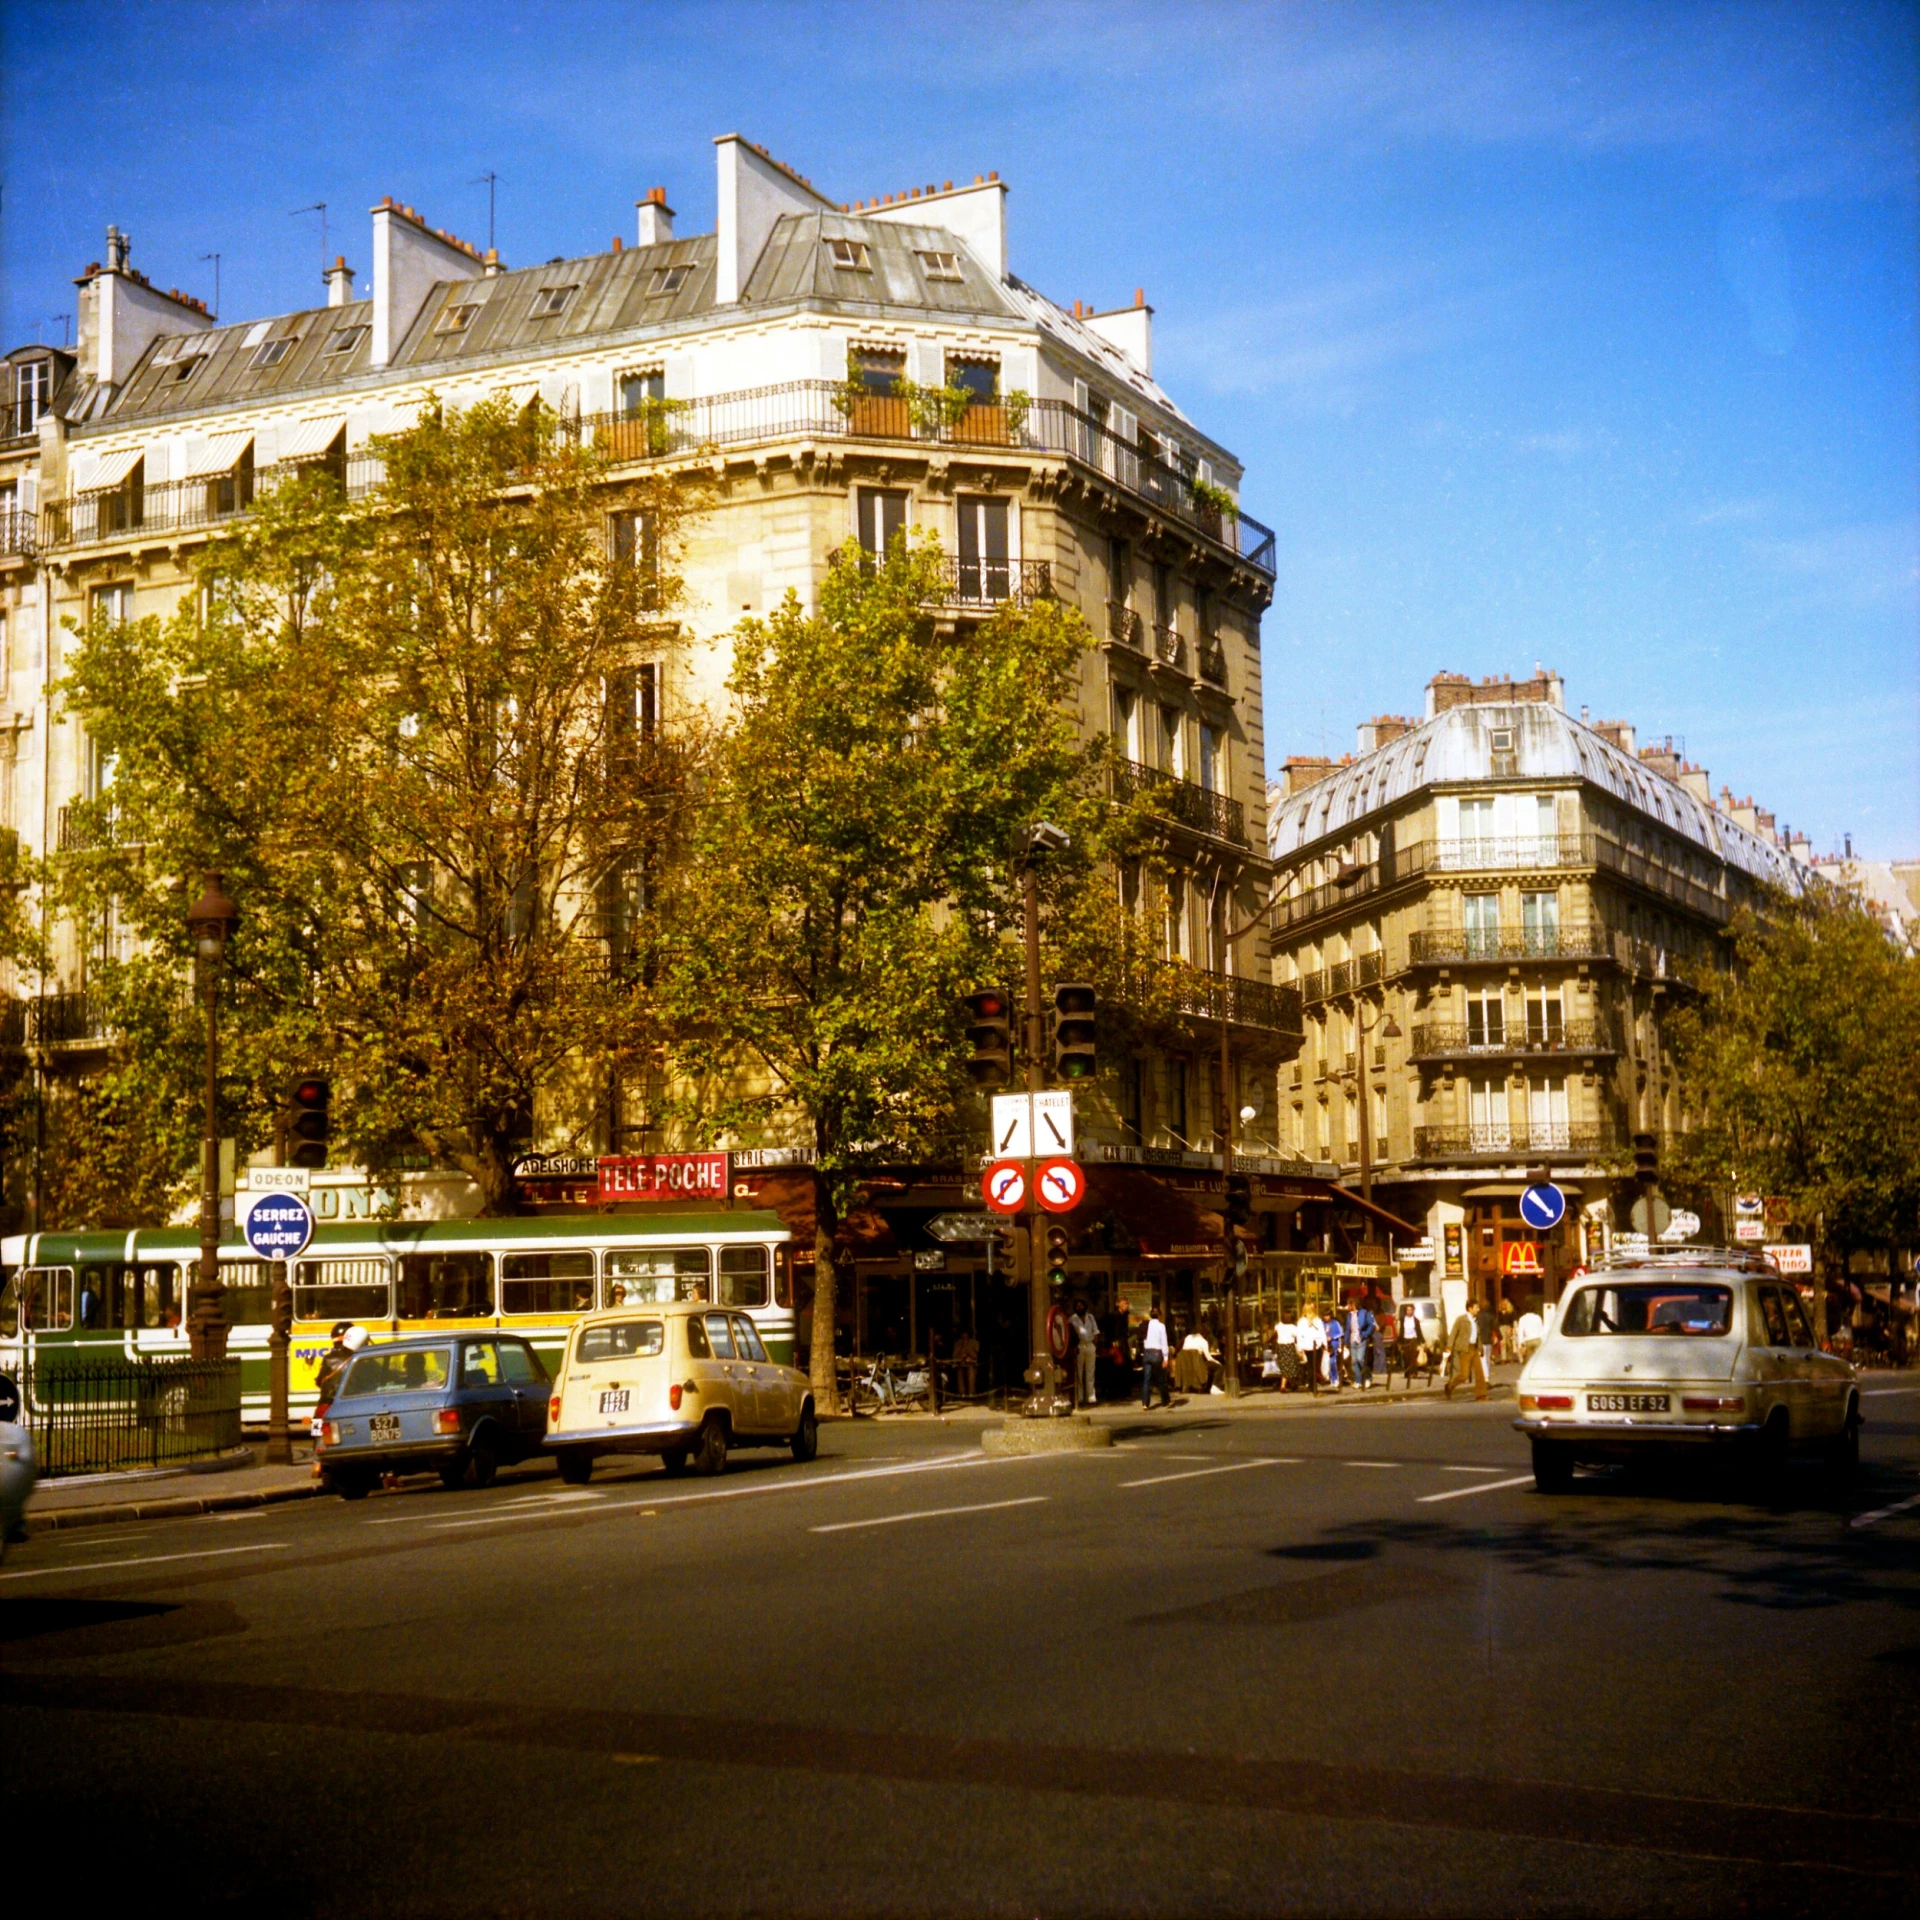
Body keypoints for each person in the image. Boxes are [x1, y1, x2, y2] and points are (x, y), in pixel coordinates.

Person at [1445, 1301, 1486, 1400]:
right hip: (1464, 1349)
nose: (1478, 1309)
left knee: (1480, 1373)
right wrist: (1449, 1346)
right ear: (1470, 1308)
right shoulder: (1461, 1319)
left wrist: (1480, 1348)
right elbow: (1454, 1332)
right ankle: (1449, 1386)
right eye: (1476, 1307)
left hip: (1474, 1349)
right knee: (1464, 1375)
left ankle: (1481, 1395)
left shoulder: (1475, 1320)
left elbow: (1478, 1336)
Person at [1069, 1300, 1102, 1409]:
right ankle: (1080, 1397)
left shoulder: (1090, 1317)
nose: (1079, 1307)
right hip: (1079, 1346)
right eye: (1077, 1306)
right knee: (1078, 1372)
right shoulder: (1072, 1319)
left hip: (1090, 1345)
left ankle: (1091, 1397)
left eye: (1081, 1305)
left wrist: (1094, 1345)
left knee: (1090, 1372)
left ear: (1085, 1306)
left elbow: (1096, 1331)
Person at [1140, 1307, 1171, 1408]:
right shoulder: (1161, 1326)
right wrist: (1166, 1357)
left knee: (1146, 1379)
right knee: (1161, 1378)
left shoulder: (1145, 1325)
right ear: (1159, 1315)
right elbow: (1164, 1342)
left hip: (1147, 1352)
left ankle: (1145, 1403)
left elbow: (1144, 1339)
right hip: (1157, 1353)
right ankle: (1165, 1401)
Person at [952, 1327, 980, 1401]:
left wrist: (967, 1348)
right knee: (959, 1373)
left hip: (971, 1363)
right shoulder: (958, 1343)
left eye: (966, 1334)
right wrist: (961, 1354)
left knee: (971, 1374)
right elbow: (955, 1355)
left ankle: (971, 1393)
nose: (964, 1336)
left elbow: (975, 1355)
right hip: (961, 1363)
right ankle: (962, 1393)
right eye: (963, 1334)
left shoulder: (975, 1342)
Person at [1324, 1308, 1345, 1390]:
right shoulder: (1322, 1323)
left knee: (1332, 1362)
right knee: (1327, 1363)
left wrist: (1332, 1337)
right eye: (1325, 1315)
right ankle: (1330, 1378)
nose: (1326, 1317)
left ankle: (1335, 1379)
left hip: (1333, 1344)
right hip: (1325, 1345)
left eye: (1327, 1315)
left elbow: (1340, 1333)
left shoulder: (1335, 1323)